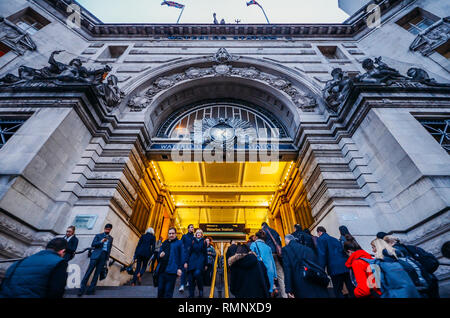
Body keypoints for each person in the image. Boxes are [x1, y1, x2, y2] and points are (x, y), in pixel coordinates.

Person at [0, 238, 68, 298]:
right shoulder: (59, 262)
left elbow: (4, 284)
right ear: (62, 251)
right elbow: (56, 291)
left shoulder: (21, 261)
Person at [316, 226, 354, 298]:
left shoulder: (320, 239)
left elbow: (322, 255)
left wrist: (321, 270)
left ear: (319, 232)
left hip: (334, 269)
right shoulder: (334, 239)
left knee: (338, 290)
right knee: (350, 288)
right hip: (344, 266)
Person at [78, 224, 113, 296]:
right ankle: (81, 290)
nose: (107, 230)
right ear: (104, 229)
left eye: (109, 229)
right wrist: (101, 241)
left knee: (96, 274)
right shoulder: (98, 235)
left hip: (103, 257)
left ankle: (91, 290)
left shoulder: (111, 238)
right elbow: (93, 244)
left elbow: (109, 249)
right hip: (95, 256)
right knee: (88, 272)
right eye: (106, 229)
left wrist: (107, 259)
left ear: (110, 230)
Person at [157, 227, 184, 298]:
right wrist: (160, 255)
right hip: (162, 271)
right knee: (160, 291)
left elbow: (182, 256)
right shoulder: (164, 243)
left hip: (172, 271)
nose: (171, 235)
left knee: (168, 293)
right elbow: (158, 255)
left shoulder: (179, 243)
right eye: (170, 233)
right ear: (168, 234)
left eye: (173, 233)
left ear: (175, 234)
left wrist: (180, 268)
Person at [261, 222, 286, 298]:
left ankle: (273, 289)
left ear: (262, 226)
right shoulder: (274, 231)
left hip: (268, 255)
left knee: (268, 273)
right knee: (281, 275)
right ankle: (284, 294)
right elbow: (279, 240)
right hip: (276, 254)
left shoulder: (263, 232)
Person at [250, 230, 278, 296]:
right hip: (270, 272)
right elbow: (272, 262)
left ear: (256, 237)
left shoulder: (253, 245)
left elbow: (251, 258)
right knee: (269, 291)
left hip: (260, 271)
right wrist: (275, 275)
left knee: (261, 292)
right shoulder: (268, 247)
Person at [184, 229, 208, 298]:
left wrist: (206, 264)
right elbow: (189, 252)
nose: (198, 234)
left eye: (200, 233)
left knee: (197, 274)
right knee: (190, 278)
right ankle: (191, 295)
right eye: (197, 233)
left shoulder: (204, 241)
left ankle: (200, 289)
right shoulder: (192, 241)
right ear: (195, 234)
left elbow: (205, 253)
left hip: (200, 261)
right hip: (191, 261)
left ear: (201, 234)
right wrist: (186, 262)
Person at [179, 224, 194, 292]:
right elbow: (181, 245)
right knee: (184, 269)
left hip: (192, 256)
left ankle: (188, 281)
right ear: (188, 229)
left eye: (193, 227)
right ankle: (182, 285)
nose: (192, 228)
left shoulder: (194, 237)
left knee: (190, 270)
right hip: (185, 255)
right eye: (191, 227)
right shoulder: (184, 236)